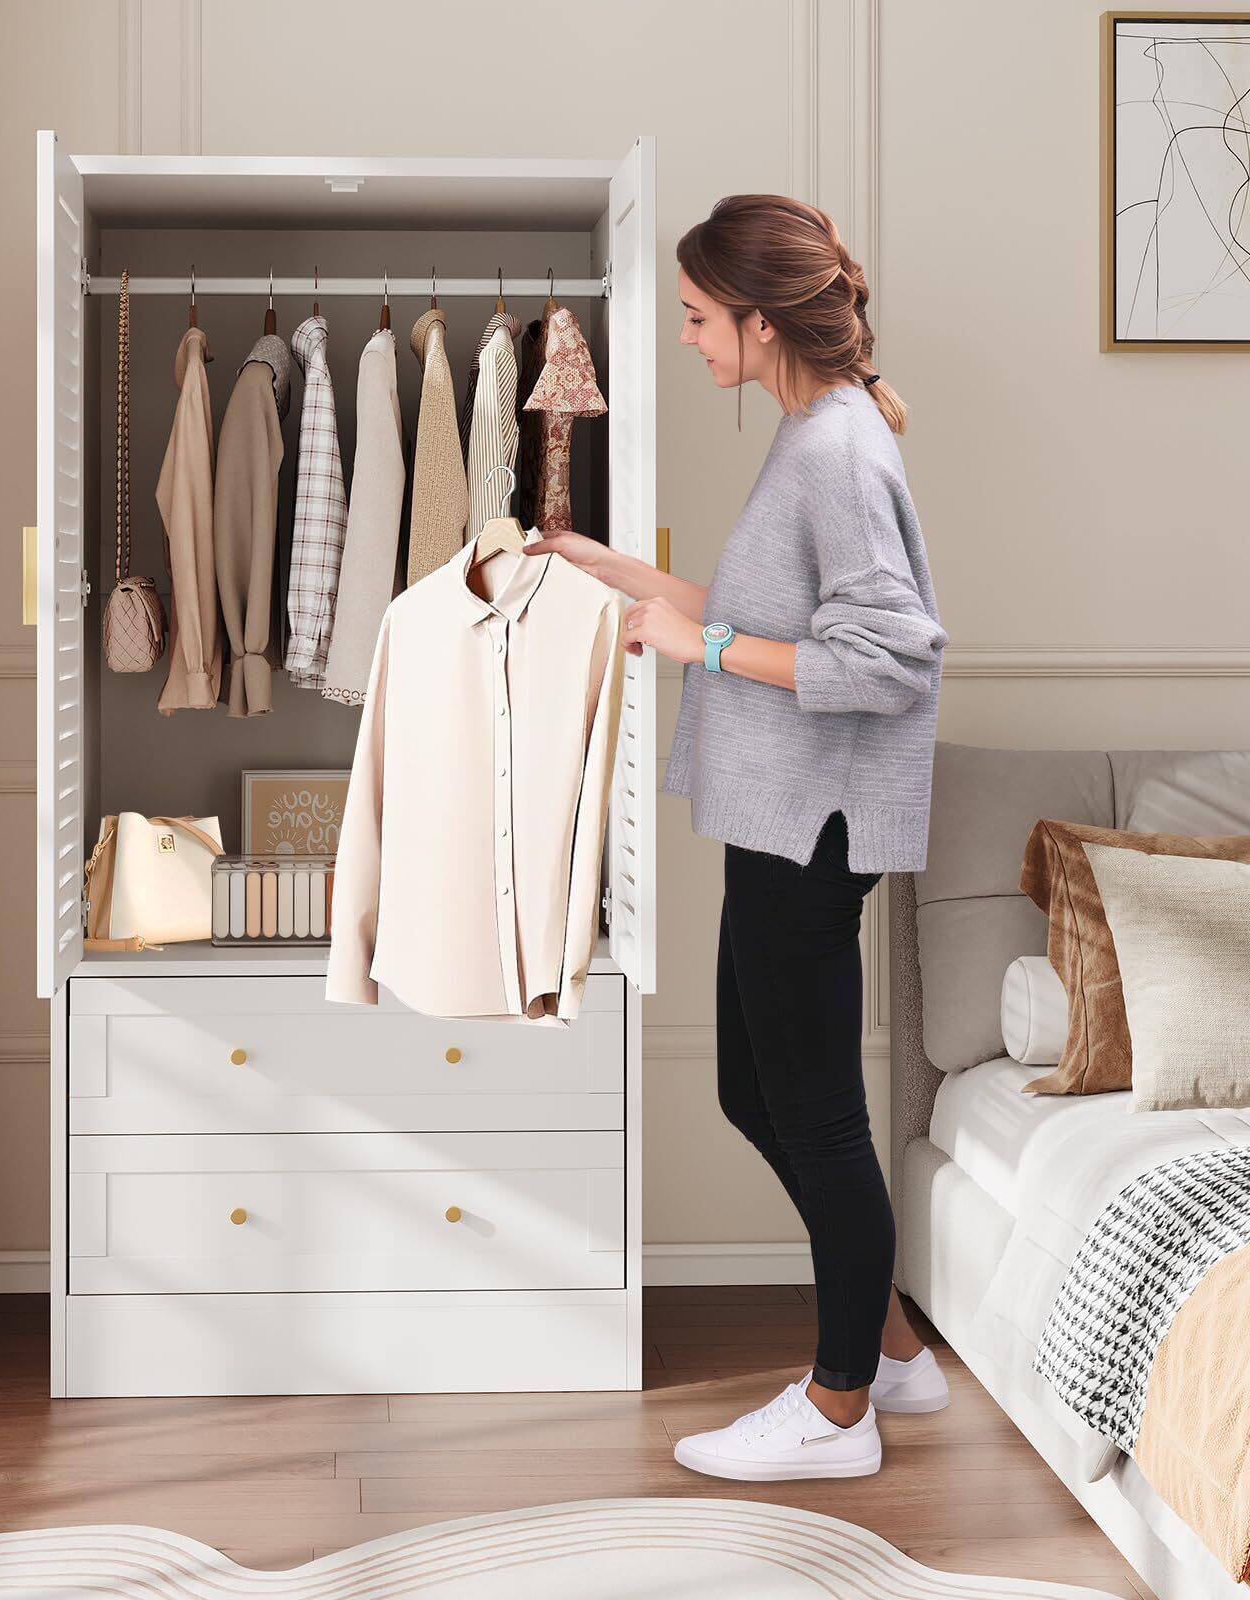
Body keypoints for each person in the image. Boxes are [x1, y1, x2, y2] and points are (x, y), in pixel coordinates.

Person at [524, 194, 951, 1481]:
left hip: (810, 826)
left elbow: (889, 659)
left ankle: (837, 1415)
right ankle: (887, 1355)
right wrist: (622, 575)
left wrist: (696, 644)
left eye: (701, 317)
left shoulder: (835, 452)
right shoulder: (817, 432)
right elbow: (775, 613)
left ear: (762, 321)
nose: (689, 338)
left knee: (812, 1110)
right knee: (751, 1087)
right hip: (777, 811)